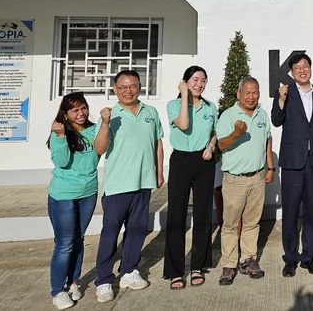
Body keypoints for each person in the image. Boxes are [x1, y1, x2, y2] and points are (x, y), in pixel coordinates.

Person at [93, 70, 164, 302]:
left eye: (132, 86)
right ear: (115, 89)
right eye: (122, 87)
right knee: (110, 234)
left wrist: (159, 172)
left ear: (140, 87)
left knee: (136, 231)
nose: (128, 91)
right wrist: (104, 123)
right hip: (117, 186)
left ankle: (128, 272)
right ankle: (103, 281)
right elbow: (100, 148)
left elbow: (157, 143)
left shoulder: (150, 112)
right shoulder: (110, 115)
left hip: (143, 183)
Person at [271, 53, 313, 277]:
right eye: (297, 67)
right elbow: (276, 120)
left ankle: (308, 256)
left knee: (312, 211)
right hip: (292, 162)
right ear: (291, 72)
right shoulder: (285, 93)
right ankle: (290, 257)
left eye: (305, 66)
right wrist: (280, 99)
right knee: (290, 211)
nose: (302, 70)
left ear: (310, 68)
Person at [216, 76, 275, 285]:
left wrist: (270, 167)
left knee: (252, 222)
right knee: (230, 224)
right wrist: (236, 133)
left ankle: (248, 260)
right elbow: (221, 145)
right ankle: (229, 265)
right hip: (235, 180)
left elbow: (268, 140)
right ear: (239, 94)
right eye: (247, 93)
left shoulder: (262, 114)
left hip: (257, 177)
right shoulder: (228, 115)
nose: (251, 96)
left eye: (255, 92)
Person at [163, 66, 218, 290]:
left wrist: (212, 146)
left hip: (204, 162)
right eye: (195, 80)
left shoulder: (210, 107)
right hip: (181, 161)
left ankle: (198, 265)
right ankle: (176, 270)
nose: (199, 84)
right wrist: (184, 95)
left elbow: (214, 132)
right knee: (176, 215)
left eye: (203, 80)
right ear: (185, 81)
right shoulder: (173, 105)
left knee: (203, 214)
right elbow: (184, 125)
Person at [47, 92, 100, 309]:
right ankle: (58, 291)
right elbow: (61, 161)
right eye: (75, 110)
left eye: (83, 108)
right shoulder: (60, 132)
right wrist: (59, 136)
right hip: (64, 195)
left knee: (78, 239)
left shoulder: (94, 129)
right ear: (65, 114)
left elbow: (102, 149)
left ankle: (73, 283)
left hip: (88, 192)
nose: (81, 113)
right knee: (64, 244)